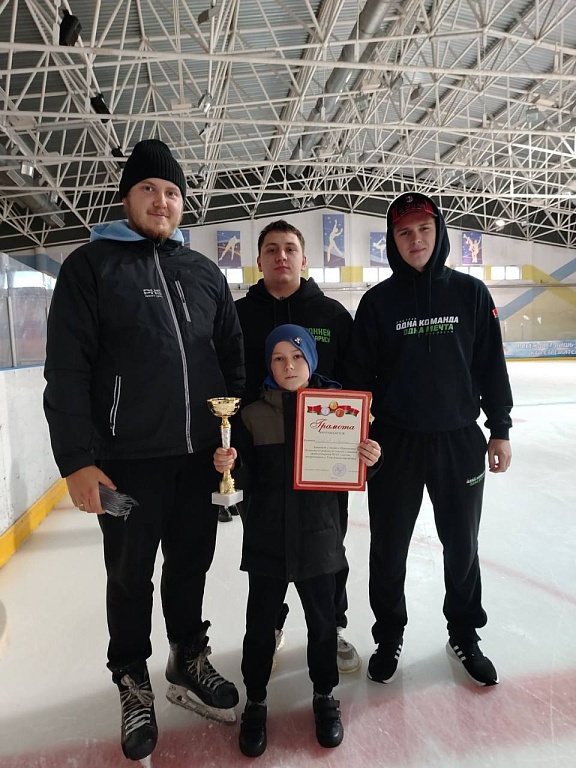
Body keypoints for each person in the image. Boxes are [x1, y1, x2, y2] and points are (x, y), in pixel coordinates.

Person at [43, 139, 245, 764]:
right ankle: (132, 678)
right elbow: (67, 370)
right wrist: (77, 461)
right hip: (126, 464)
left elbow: (232, 362)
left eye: (173, 192)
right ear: (127, 197)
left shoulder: (204, 273)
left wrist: (230, 440)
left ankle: (187, 655)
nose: (162, 200)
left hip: (197, 459)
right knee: (130, 575)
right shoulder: (90, 267)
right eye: (149, 189)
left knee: (191, 563)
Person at [345, 192, 513, 688]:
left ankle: (464, 633)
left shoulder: (471, 293)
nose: (415, 239)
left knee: (462, 545)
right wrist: (358, 436)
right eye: (404, 232)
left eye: (423, 229)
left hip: (459, 441)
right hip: (394, 444)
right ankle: (388, 636)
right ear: (392, 241)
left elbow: (491, 365)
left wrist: (500, 428)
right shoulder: (377, 303)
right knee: (388, 547)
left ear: (438, 233)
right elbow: (358, 379)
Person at [213, 324, 381, 757]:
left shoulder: (339, 411)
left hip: (319, 541)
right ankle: (256, 701)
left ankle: (324, 696)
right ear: (268, 365)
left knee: (323, 627)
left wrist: (371, 458)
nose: (289, 366)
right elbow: (244, 478)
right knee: (259, 629)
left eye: (297, 356)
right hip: (267, 542)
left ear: (312, 360)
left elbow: (354, 470)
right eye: (278, 358)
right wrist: (229, 465)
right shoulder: (251, 416)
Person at [234, 220, 359, 674]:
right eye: (271, 249)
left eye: (289, 248)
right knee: (266, 540)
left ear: (304, 259)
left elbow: (354, 380)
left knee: (329, 544)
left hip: (325, 458)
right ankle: (270, 622)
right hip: (262, 450)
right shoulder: (238, 315)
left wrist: (356, 434)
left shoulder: (332, 314)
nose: (281, 256)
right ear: (259, 261)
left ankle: (333, 623)